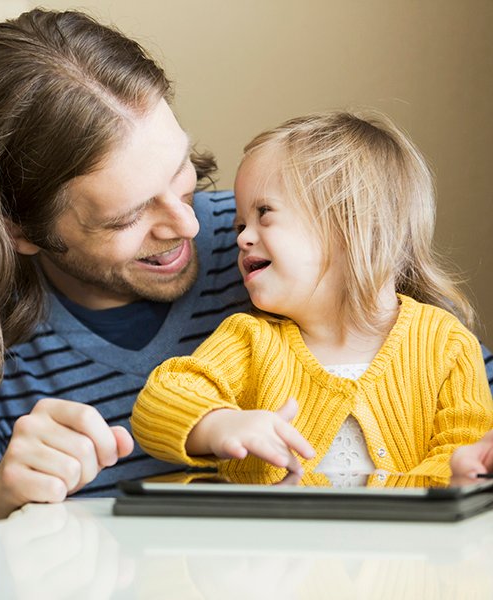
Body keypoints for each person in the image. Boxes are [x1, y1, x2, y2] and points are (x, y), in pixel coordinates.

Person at [0, 9, 251, 587]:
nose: (185, 224)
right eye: (129, 216)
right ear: (19, 229)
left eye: (179, 168)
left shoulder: (272, 250)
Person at [132, 111, 493, 483]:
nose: (241, 237)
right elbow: (159, 402)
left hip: (408, 540)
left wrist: (462, 474)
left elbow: (463, 447)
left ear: (351, 221)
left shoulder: (447, 344)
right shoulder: (249, 340)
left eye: (264, 213)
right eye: (241, 224)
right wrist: (219, 423)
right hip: (270, 541)